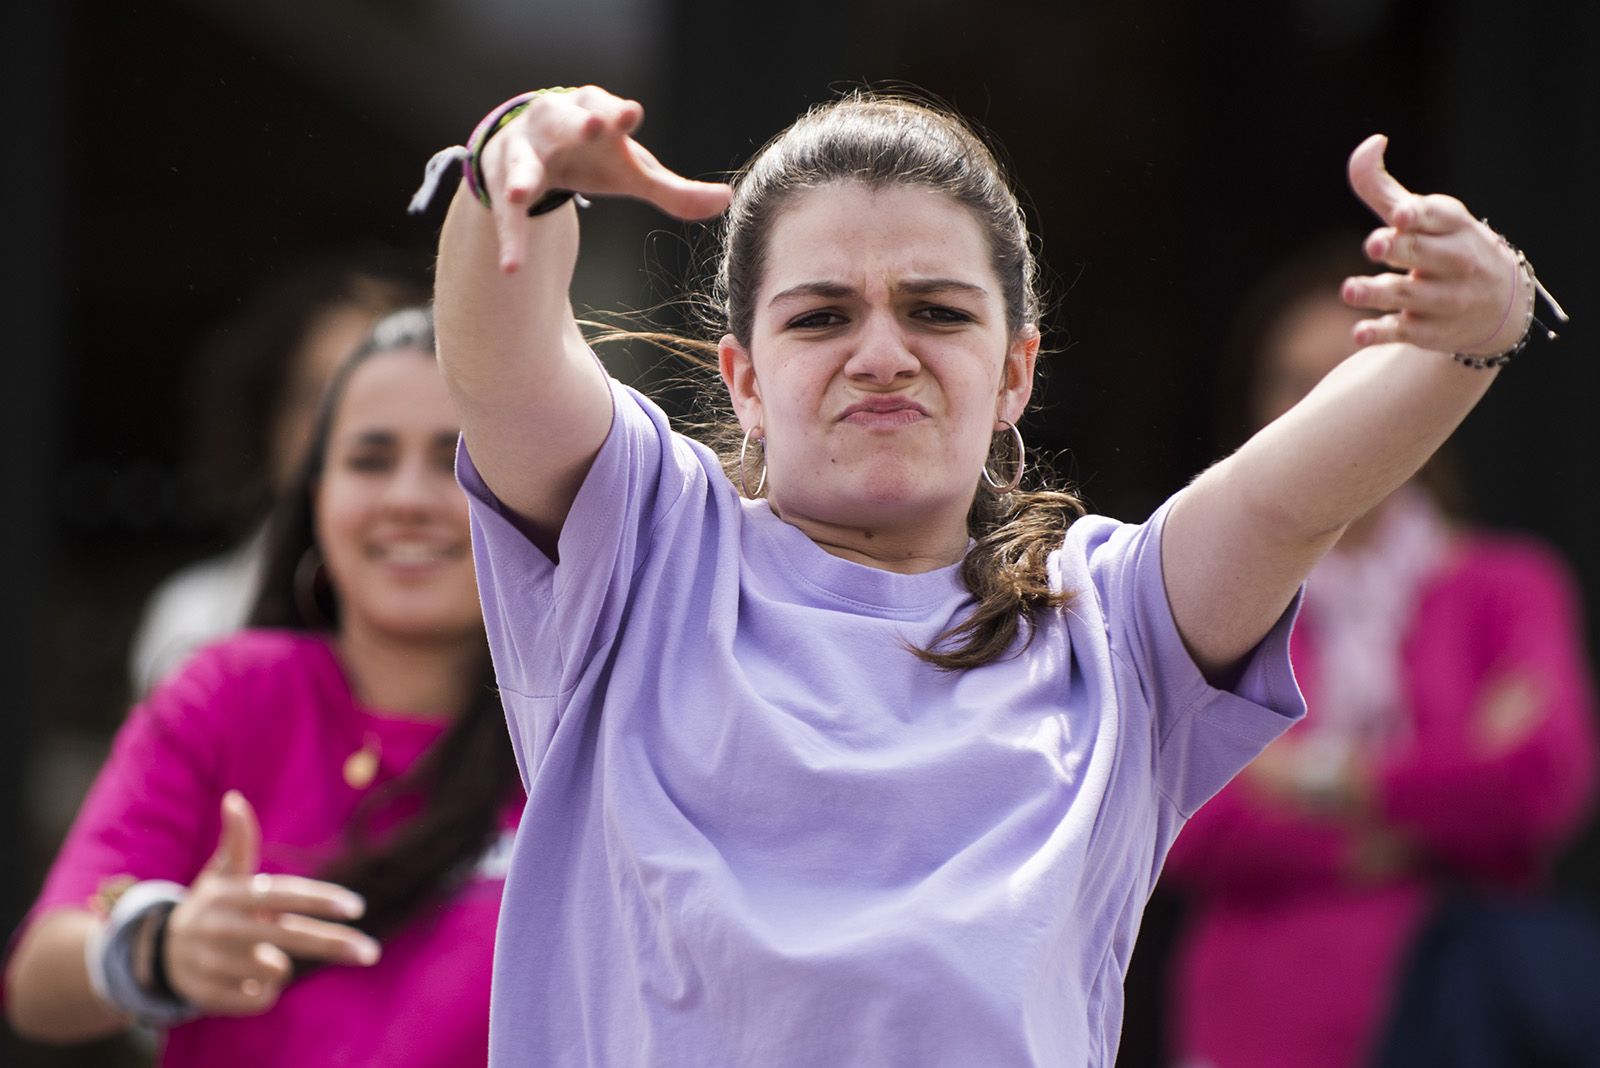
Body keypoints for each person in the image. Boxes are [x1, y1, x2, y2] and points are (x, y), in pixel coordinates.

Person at [426, 84, 1549, 1065]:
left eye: (936, 312)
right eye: (820, 316)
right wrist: (513, 164)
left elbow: (1287, 495)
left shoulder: (1111, 617)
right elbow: (501, 365)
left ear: (1015, 372)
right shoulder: (641, 545)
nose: (880, 353)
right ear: (745, 377)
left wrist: (1481, 319)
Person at [5, 308, 524, 1067]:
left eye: (456, 461)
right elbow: (39, 980)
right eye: (369, 459)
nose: (408, 498)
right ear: (315, 499)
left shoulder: (587, 726)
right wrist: (162, 948)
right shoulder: (229, 694)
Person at [1160, 244, 1598, 1068]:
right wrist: (1435, 808)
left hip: (1469, 1017)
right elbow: (1177, 823)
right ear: (1258, 411)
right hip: (1260, 1025)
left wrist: (1318, 782)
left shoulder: (1504, 589)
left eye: (1358, 375)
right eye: (1297, 383)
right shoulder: (1207, 594)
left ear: (1419, 398)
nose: (1330, 411)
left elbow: (1540, 783)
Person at [130, 253, 430, 696]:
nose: (349, 429)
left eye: (381, 396)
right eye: (317, 397)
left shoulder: (486, 609)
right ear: (268, 419)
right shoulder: (194, 619)